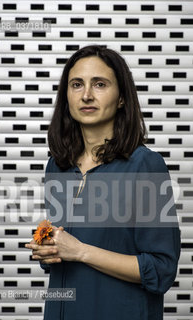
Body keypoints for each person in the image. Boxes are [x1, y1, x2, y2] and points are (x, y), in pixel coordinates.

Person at [25, 45, 181, 320]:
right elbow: (63, 248)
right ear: (66, 97)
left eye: (100, 84)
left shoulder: (145, 166)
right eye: (77, 84)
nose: (86, 95)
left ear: (121, 98)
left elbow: (161, 271)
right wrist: (48, 246)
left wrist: (81, 251)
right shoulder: (57, 166)